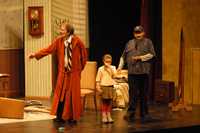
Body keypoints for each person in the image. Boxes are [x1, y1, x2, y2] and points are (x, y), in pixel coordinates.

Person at [29, 22, 88, 123]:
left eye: (63, 30)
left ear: (68, 32)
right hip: (63, 73)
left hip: (73, 73)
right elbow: (48, 49)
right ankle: (59, 116)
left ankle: (72, 117)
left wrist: (78, 70)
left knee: (72, 95)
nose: (60, 31)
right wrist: (35, 54)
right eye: (60, 29)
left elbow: (84, 57)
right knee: (60, 94)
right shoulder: (59, 41)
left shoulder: (77, 42)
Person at [118, 25, 156, 122]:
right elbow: (123, 56)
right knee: (132, 94)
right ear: (134, 34)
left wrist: (140, 58)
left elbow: (152, 55)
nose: (138, 34)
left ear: (143, 33)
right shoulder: (129, 43)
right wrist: (119, 67)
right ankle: (131, 113)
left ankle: (144, 114)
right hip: (132, 72)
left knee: (144, 94)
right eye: (136, 33)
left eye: (139, 32)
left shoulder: (148, 42)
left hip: (143, 72)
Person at [96, 54, 116, 123]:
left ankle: (109, 115)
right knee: (104, 101)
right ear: (103, 61)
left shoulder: (113, 68)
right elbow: (98, 79)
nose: (108, 63)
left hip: (110, 86)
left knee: (110, 102)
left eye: (109, 62)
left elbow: (114, 76)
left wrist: (109, 68)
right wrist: (98, 87)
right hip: (103, 86)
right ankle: (104, 115)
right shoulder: (100, 69)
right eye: (106, 61)